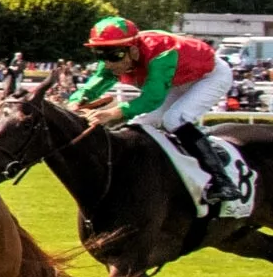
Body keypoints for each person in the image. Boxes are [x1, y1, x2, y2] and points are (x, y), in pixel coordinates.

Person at [70, 16, 239, 202]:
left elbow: (152, 98)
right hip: (177, 81)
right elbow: (98, 82)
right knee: (140, 125)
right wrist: (77, 101)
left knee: (174, 119)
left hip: (209, 77)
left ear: (133, 50)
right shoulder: (117, 52)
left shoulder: (161, 54)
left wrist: (112, 113)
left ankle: (223, 181)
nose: (108, 63)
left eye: (114, 56)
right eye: (100, 54)